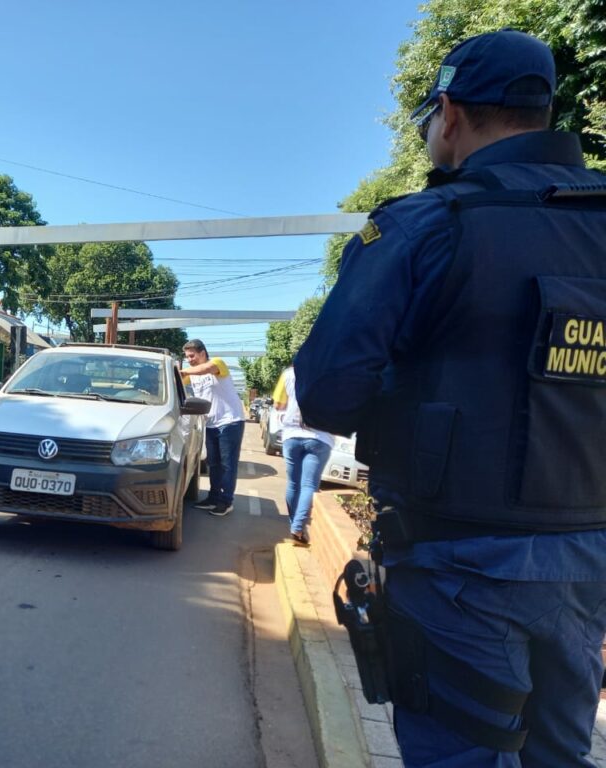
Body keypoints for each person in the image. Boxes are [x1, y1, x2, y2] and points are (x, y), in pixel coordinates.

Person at [294, 29, 606, 766]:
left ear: (450, 113)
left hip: (458, 564)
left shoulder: (426, 224)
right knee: (561, 751)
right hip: (589, 556)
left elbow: (328, 392)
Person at [182, 339, 244, 516]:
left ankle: (226, 501)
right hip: (211, 424)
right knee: (213, 464)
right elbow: (177, 381)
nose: (190, 360)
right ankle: (213, 497)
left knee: (227, 464)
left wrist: (183, 370)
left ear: (203, 353)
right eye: (187, 357)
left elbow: (205, 369)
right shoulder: (191, 374)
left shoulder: (217, 364)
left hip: (230, 422)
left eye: (192, 356)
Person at [272, 366, 333, 546]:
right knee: (308, 485)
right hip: (319, 437)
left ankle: (294, 524)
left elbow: (278, 405)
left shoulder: (289, 374)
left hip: (291, 435)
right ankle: (298, 527)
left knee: (293, 483)